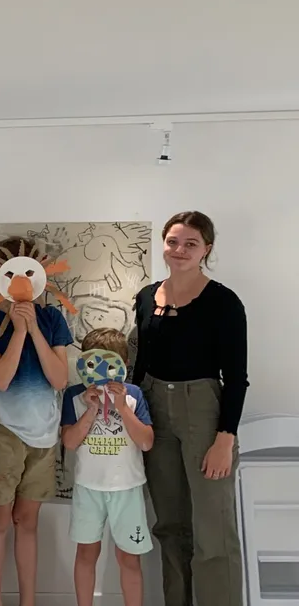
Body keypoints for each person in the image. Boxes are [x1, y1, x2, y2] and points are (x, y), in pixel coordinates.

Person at [131, 211, 247, 606]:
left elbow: (235, 377)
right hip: (153, 409)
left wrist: (224, 440)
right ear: (163, 244)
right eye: (173, 241)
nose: (179, 250)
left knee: (212, 529)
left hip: (203, 411)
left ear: (206, 250)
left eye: (190, 244)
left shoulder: (223, 302)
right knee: (170, 525)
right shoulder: (147, 297)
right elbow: (139, 365)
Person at [0, 236, 73, 606]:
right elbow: (0, 379)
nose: (21, 280)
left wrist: (35, 330)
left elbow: (60, 379)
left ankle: (28, 600)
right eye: (11, 271)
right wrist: (19, 331)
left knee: (27, 522)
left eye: (29, 271)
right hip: (3, 434)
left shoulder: (52, 317)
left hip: (44, 436)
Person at [60, 328, 154, 606]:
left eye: (110, 364)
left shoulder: (134, 394)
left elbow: (147, 442)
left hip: (127, 488)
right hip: (89, 488)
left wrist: (122, 407)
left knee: (129, 557)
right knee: (86, 553)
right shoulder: (74, 396)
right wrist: (90, 409)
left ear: (123, 366)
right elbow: (69, 442)